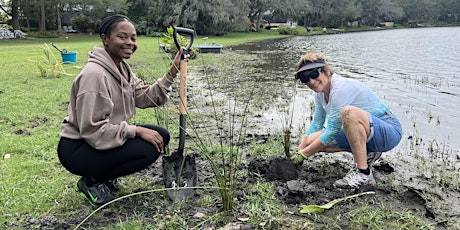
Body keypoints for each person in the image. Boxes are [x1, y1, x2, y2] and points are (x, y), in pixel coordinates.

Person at [57, 14, 190, 205]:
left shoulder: (122, 69)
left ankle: (105, 173)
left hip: (101, 138)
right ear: (105, 39)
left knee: (161, 135)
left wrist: (173, 70)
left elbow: (145, 97)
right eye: (122, 37)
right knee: (149, 149)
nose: (130, 43)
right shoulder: (94, 75)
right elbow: (93, 130)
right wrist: (135, 130)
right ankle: (92, 181)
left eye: (133, 38)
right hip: (79, 148)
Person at [290, 52, 402, 189]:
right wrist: (300, 150)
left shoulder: (341, 88)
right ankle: (368, 153)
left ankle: (363, 173)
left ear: (326, 71)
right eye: (304, 78)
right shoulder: (319, 94)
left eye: (314, 74)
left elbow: (331, 131)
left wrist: (304, 155)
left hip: (388, 131)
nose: (311, 81)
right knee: (310, 141)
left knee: (348, 113)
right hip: (368, 133)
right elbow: (317, 124)